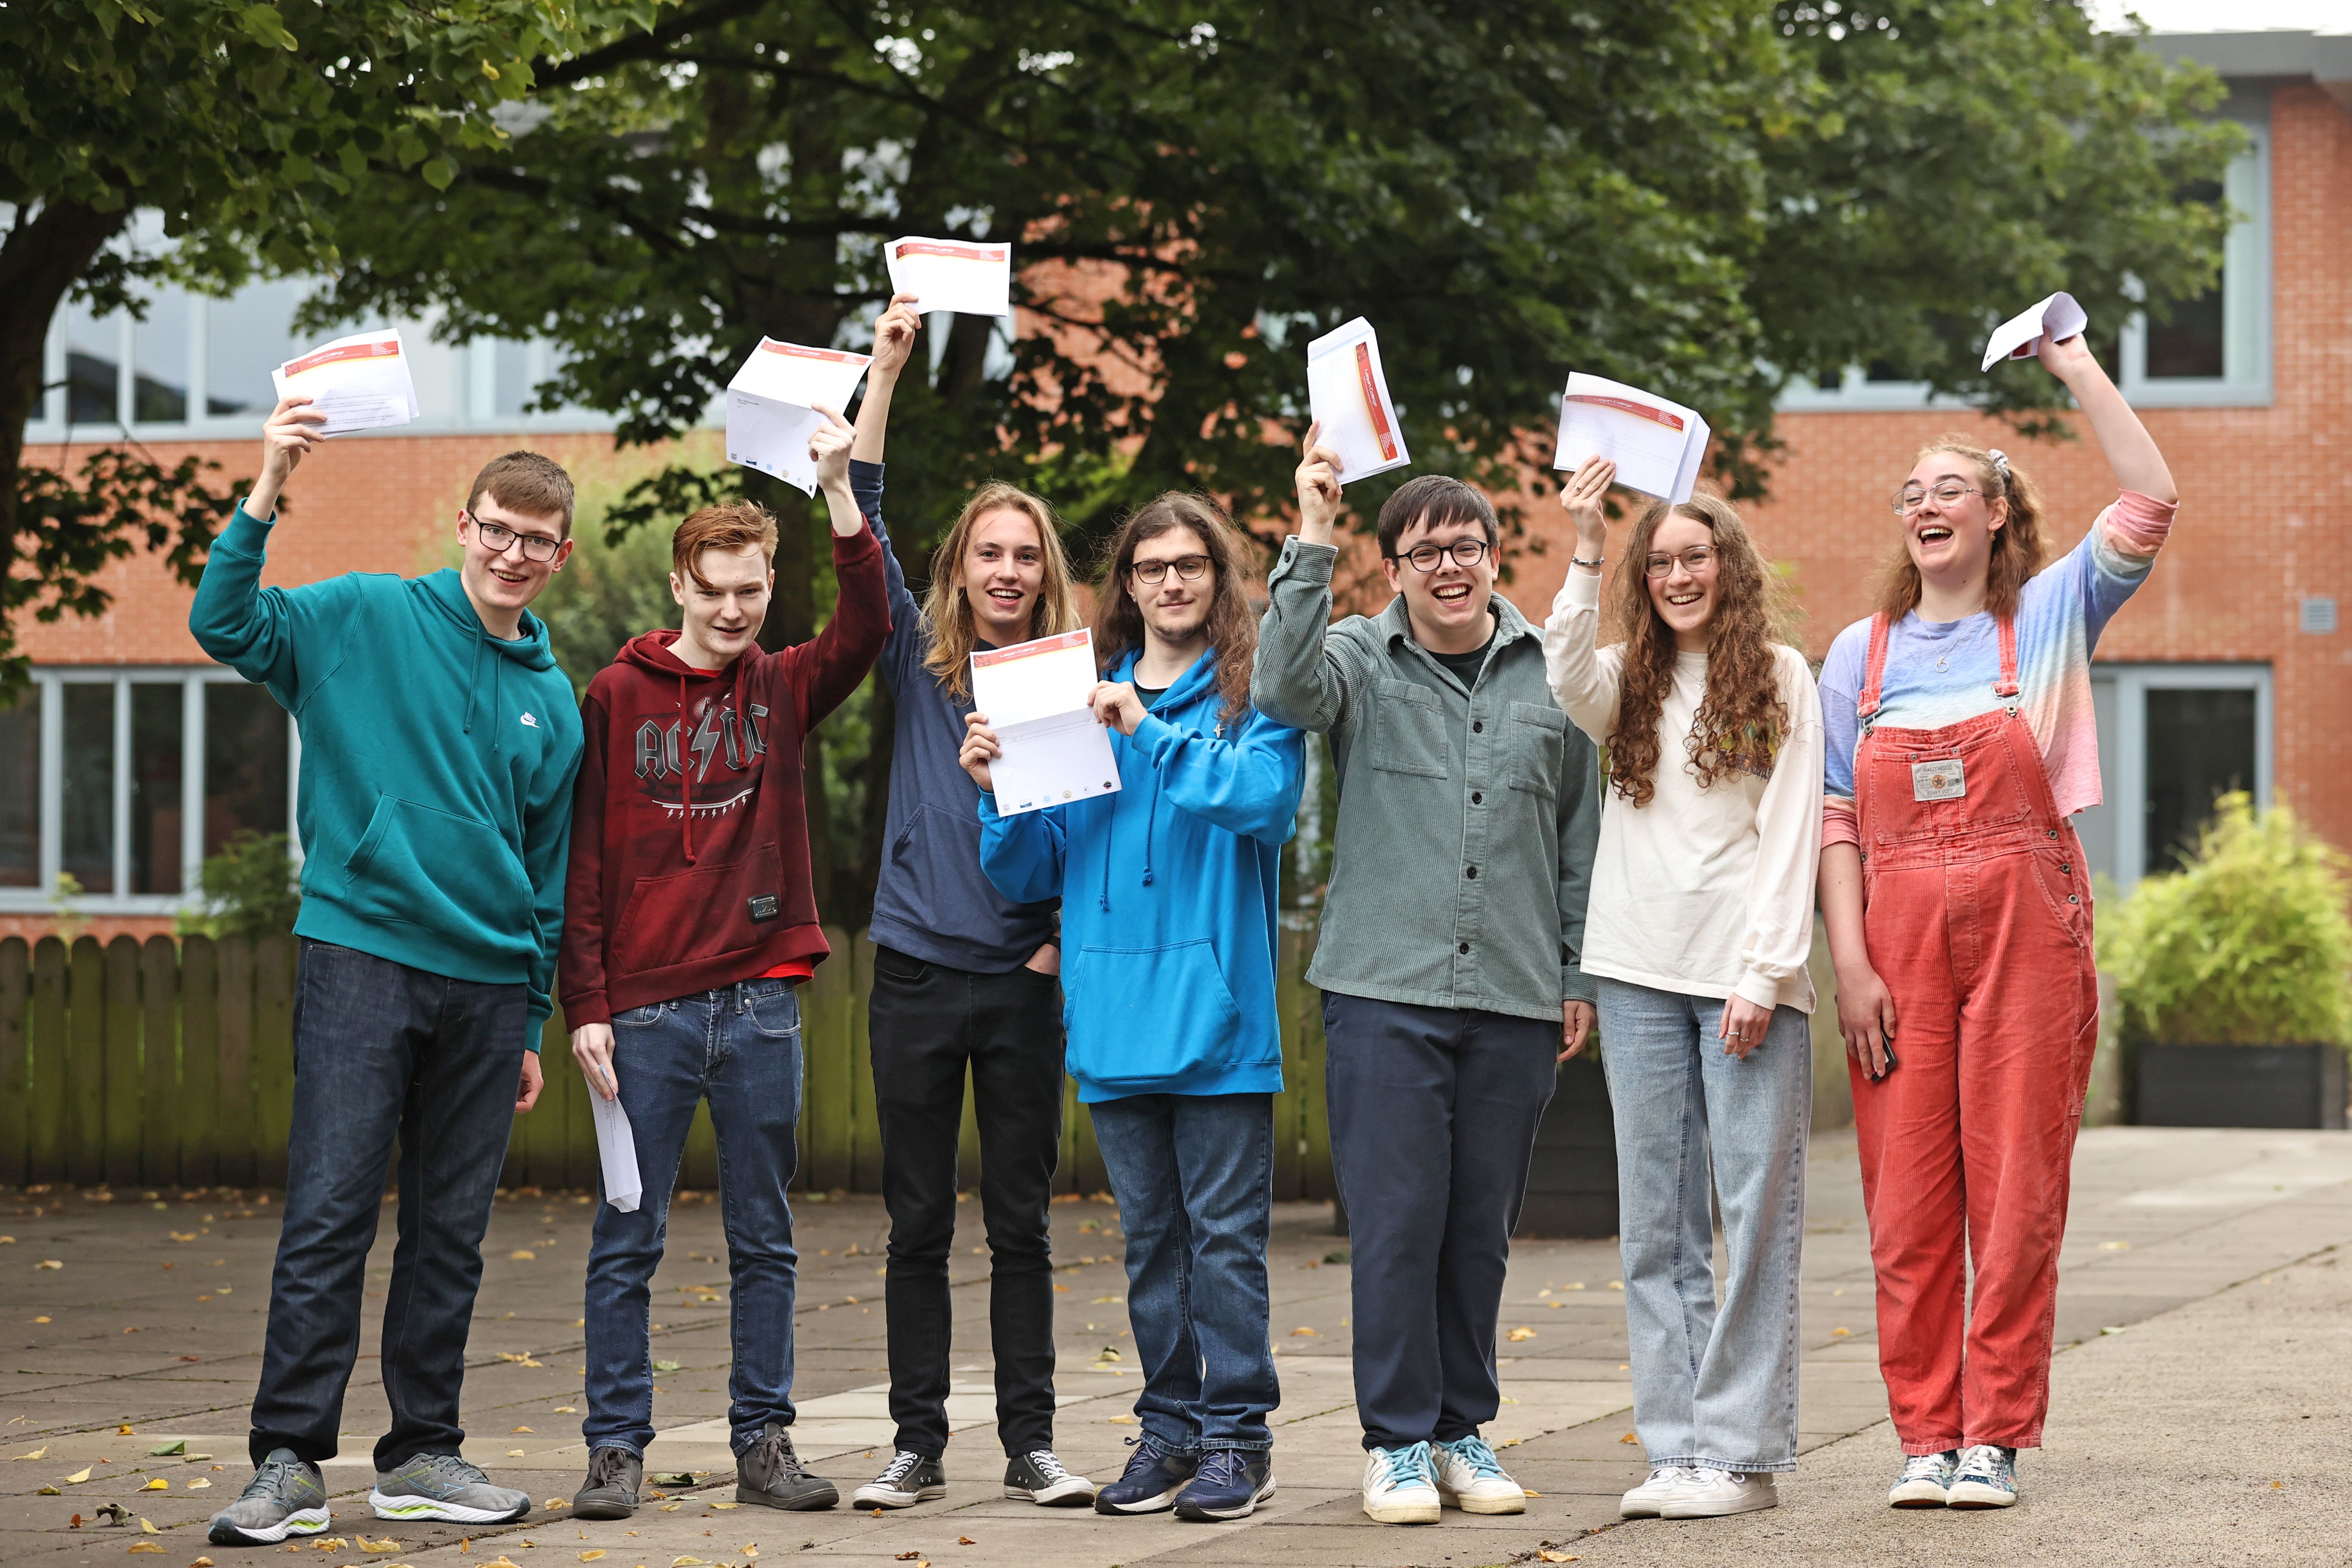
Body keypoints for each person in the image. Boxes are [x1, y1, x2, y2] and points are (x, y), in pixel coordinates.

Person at [193, 408, 584, 1547]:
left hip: (483, 984)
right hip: (363, 952)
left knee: (450, 1231)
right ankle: (287, 1462)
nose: (515, 552)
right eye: (499, 529)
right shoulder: (364, 614)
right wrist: (271, 479)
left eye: (538, 540)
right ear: (464, 526)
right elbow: (224, 622)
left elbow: (546, 878)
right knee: (328, 1212)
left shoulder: (553, 701)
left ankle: (422, 1454)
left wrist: (529, 1019)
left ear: (561, 556)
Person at [1817, 330, 2177, 1511]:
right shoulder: (1856, 659)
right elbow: (1834, 822)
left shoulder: (2056, 612)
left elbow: (2150, 496)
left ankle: (1995, 1437)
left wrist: (2072, 362)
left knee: (2017, 1191)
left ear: (1996, 515)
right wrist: (1853, 963)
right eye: (1913, 491)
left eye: (1952, 488)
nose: (1927, 503)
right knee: (1908, 1198)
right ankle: (1924, 1433)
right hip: (1897, 938)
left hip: (2031, 923)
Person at [1253, 428, 1599, 1527]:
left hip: (1511, 995)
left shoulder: (1554, 673)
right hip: (1383, 992)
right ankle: (1395, 1440)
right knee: (1398, 1222)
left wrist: (1577, 972)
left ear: (1496, 555)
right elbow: (1279, 685)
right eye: (1423, 551)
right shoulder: (1357, 657)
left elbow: (1582, 840)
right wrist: (1314, 530)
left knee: (1478, 1228)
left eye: (1468, 546)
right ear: (1394, 568)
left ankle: (1462, 1429)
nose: (1449, 566)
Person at [557, 404, 889, 1519]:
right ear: (680, 590)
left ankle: (766, 1442)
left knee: (767, 1239)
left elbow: (870, 623)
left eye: (753, 590)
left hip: (759, 1011)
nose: (736, 608)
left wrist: (841, 491)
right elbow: (586, 864)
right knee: (626, 1241)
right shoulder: (614, 697)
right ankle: (615, 1449)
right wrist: (587, 1005)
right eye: (717, 590)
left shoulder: (785, 688)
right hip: (643, 1018)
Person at [964, 494, 1305, 1523]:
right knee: (1151, 1246)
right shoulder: (1073, 699)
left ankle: (1240, 1440)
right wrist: (994, 790)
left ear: (1219, 578)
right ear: (1128, 585)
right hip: (1113, 1018)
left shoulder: (1253, 700)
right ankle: (1171, 1428)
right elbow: (1034, 863)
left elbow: (1263, 805)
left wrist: (1149, 732)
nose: (1170, 581)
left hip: (1217, 1024)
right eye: (1151, 566)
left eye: (1190, 564)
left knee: (1224, 1247)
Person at [847, 294, 1098, 1511]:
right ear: (959, 569)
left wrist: (1054, 940)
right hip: (911, 975)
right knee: (913, 1228)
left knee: (1022, 1227)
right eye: (988, 554)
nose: (1007, 571)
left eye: (1025, 556)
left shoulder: (1064, 683)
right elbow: (860, 508)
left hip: (1020, 984)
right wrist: (886, 371)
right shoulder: (911, 649)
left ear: (1045, 574)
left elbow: (1089, 838)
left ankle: (1031, 1443)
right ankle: (916, 1445)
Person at [1542, 462, 1824, 1521]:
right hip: (1635, 974)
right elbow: (1562, 673)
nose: (1676, 576)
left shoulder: (1783, 676)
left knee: (1752, 1217)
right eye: (1657, 562)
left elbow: (1793, 831)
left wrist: (1765, 972)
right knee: (1655, 1224)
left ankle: (1743, 1456)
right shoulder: (1628, 677)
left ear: (1729, 564)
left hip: (1744, 983)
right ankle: (1677, 1449)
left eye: (1694, 556)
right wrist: (1583, 542)